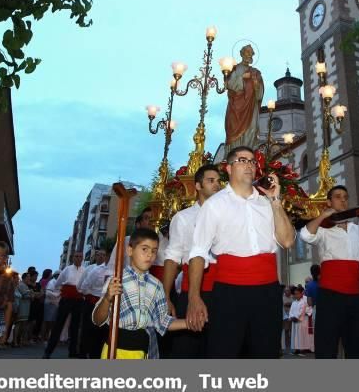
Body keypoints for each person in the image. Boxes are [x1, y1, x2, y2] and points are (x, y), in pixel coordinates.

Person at [187, 146, 295, 358]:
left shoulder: (267, 203)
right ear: (228, 168)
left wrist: (275, 201)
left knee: (265, 354)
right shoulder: (214, 205)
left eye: (253, 161)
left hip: (268, 292)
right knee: (224, 354)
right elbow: (198, 252)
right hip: (229, 293)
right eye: (243, 160)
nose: (249, 165)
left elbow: (288, 240)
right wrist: (194, 297)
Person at [92, 228, 188, 359]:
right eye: (145, 249)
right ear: (130, 250)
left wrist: (189, 323)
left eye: (154, 251)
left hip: (142, 352)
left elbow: (162, 322)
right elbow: (98, 320)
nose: (150, 255)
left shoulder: (157, 286)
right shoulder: (116, 280)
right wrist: (107, 299)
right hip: (115, 350)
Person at [299, 185, 359, 358]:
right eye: (338, 197)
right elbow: (305, 235)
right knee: (326, 345)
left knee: (358, 346)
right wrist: (323, 215)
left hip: (355, 296)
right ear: (329, 202)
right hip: (331, 296)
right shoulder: (323, 229)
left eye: (345, 196)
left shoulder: (357, 229)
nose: (343, 200)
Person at [162, 164, 221, 358]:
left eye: (218, 181)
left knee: (220, 349)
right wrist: (166, 296)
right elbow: (172, 257)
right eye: (210, 181)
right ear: (197, 186)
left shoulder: (227, 215)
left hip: (225, 290)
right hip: (193, 289)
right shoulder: (183, 218)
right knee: (187, 349)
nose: (216, 185)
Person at [43, 250, 85, 358]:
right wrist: (65, 291)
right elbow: (58, 283)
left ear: (83, 258)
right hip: (66, 299)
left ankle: (72, 352)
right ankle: (48, 351)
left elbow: (85, 285)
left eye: (80, 256)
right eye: (76, 256)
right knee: (58, 325)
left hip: (78, 300)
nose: (78, 258)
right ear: (73, 258)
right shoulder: (67, 269)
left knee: (75, 327)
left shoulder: (85, 271)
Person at [224, 45, 264, 153]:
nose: (249, 54)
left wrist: (256, 85)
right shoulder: (234, 69)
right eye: (247, 52)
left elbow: (259, 95)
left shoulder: (256, 72)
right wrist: (243, 78)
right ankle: (234, 155)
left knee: (252, 129)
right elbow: (229, 84)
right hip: (236, 106)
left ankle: (248, 154)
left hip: (251, 106)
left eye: (251, 53)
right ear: (242, 53)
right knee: (234, 131)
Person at [78, 249, 109, 358]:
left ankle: (95, 354)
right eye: (99, 255)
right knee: (87, 329)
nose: (101, 257)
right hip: (91, 302)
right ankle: (82, 352)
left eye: (103, 255)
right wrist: (90, 295)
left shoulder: (110, 270)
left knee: (100, 330)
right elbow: (82, 286)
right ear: (95, 256)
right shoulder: (91, 269)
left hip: (104, 304)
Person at [289, 286, 314, 355]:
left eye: (297, 294)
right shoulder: (294, 302)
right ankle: (296, 349)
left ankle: (302, 349)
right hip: (295, 322)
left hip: (301, 321)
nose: (296, 295)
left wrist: (296, 318)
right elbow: (291, 311)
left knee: (301, 336)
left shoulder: (304, 301)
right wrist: (291, 317)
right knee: (295, 335)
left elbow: (302, 311)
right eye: (295, 294)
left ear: (301, 294)